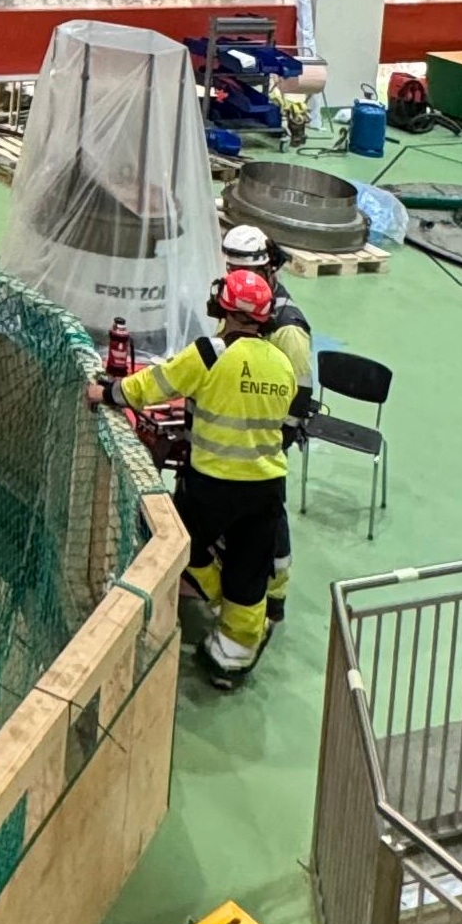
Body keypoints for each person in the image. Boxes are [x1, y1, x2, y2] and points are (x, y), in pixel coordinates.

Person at [90, 268, 297, 683]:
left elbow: (155, 384)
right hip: (267, 487)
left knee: (172, 541)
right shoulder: (281, 363)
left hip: (213, 485)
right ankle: (233, 655)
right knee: (249, 568)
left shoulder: (211, 353)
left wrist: (107, 392)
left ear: (226, 308)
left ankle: (202, 600)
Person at [215, 224, 313, 623]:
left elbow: (299, 396)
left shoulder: (287, 328)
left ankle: (274, 595)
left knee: (268, 514)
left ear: (267, 270)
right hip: (235, 432)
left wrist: (273, 442)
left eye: (247, 275)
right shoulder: (239, 302)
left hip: (263, 441)